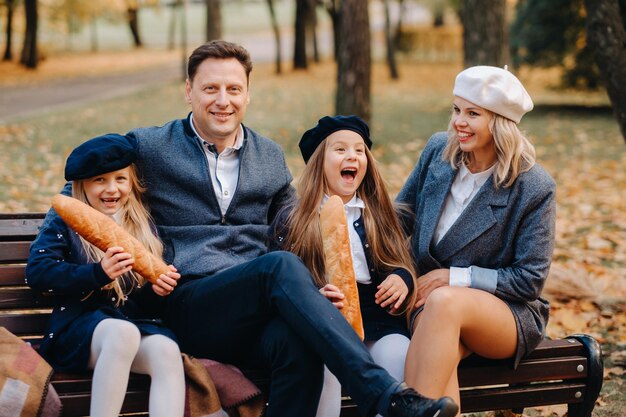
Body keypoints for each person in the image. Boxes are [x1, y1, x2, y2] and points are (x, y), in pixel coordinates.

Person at [39, 40, 458, 417]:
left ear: (247, 94)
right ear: (189, 91)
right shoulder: (150, 146)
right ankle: (382, 394)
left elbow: (297, 225)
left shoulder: (269, 156)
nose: (223, 101)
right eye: (210, 89)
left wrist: (323, 283)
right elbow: (83, 188)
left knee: (299, 344)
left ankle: (380, 393)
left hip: (255, 309)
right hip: (189, 301)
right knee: (276, 267)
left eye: (234, 89)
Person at [396, 65, 556, 414]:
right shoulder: (439, 151)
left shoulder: (532, 186)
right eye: (456, 110)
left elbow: (529, 280)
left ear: (499, 121)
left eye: (472, 113)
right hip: (426, 306)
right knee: (440, 358)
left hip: (506, 314)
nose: (458, 122)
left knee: (444, 301)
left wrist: (452, 277)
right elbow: (399, 218)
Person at [26, 134, 185, 417]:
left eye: (120, 179)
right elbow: (39, 273)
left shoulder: (142, 223)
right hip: (77, 330)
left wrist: (156, 290)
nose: (111, 189)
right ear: (82, 185)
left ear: (132, 182)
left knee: (166, 350)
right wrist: (98, 273)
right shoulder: (66, 218)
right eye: (100, 180)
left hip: (129, 324)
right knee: (121, 333)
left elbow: (142, 302)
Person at [270, 115, 418, 417]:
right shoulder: (294, 220)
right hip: (326, 323)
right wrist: (314, 297)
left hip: (378, 322)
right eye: (340, 150)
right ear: (318, 163)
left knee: (398, 355)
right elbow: (281, 281)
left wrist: (403, 278)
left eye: (359, 150)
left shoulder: (379, 214)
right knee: (323, 367)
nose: (352, 156)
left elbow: (399, 262)